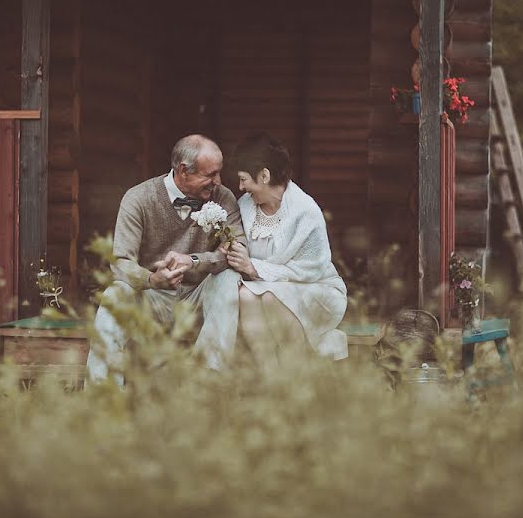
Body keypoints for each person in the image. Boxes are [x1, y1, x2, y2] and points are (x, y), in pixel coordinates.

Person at [86, 134, 246, 383]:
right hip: (152, 298)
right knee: (115, 295)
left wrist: (194, 261)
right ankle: (102, 393)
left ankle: (210, 380)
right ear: (183, 171)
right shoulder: (138, 198)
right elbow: (120, 262)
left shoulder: (222, 197)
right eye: (210, 174)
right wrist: (151, 278)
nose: (218, 181)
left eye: (218, 173)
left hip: (199, 298)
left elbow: (237, 248)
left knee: (229, 276)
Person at [223, 133, 348, 369]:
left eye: (243, 179)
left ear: (265, 175)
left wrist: (253, 267)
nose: (240, 187)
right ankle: (271, 378)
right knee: (245, 296)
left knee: (271, 296)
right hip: (262, 288)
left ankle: (295, 376)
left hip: (314, 288)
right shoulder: (245, 205)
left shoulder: (306, 211)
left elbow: (310, 270)